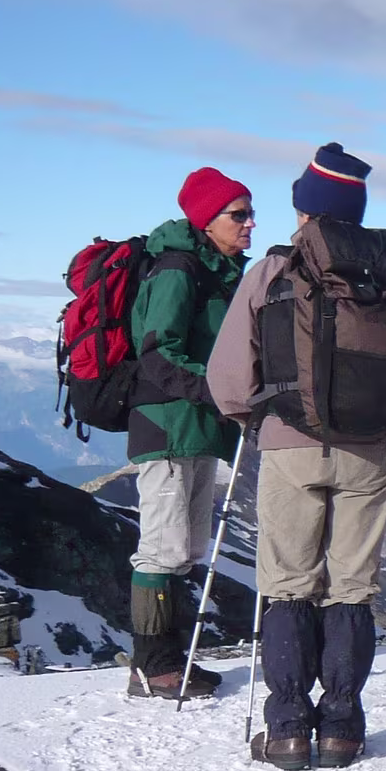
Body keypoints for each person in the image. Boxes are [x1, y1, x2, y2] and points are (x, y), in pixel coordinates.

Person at [209, 143, 386, 771]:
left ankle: (290, 730)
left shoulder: (274, 271)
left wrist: (258, 420)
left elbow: (228, 376)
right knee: (352, 588)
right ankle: (343, 729)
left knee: (288, 584)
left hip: (290, 445)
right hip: (371, 451)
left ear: (305, 209)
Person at [125, 166, 253, 700]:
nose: (250, 224)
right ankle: (150, 667)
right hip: (169, 426)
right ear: (207, 220)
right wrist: (222, 391)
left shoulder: (216, 271)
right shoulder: (178, 270)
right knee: (162, 548)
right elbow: (158, 354)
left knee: (185, 548)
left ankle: (171, 661)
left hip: (197, 427)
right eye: (238, 214)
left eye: (250, 213)